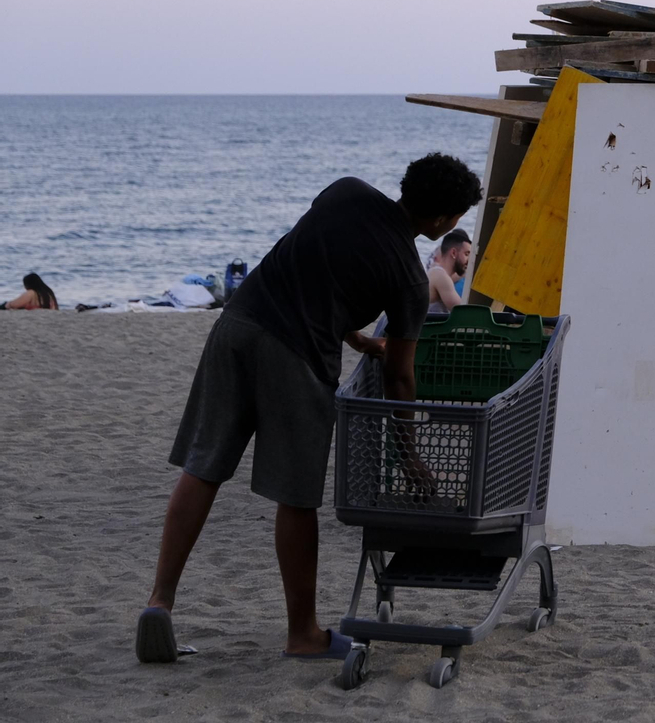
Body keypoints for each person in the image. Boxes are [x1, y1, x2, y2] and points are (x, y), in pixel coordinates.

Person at [136, 153, 482, 664]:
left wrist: (357, 339)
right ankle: (303, 634)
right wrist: (410, 458)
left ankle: (159, 602)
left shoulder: (346, 190)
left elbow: (313, 265)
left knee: (204, 466)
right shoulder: (410, 278)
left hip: (239, 325)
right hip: (296, 358)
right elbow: (401, 376)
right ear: (441, 222)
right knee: (296, 497)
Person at [426, 228, 472, 313]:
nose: (469, 260)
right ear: (453, 253)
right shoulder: (440, 275)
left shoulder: (439, 273)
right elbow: (464, 313)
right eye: (466, 254)